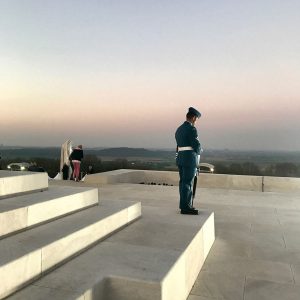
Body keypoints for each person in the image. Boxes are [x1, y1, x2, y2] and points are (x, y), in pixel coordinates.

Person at [175, 107, 202, 215]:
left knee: (182, 182)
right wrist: (199, 149)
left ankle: (184, 205)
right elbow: (196, 145)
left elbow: (178, 146)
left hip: (181, 158)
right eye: (196, 119)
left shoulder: (179, 129)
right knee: (187, 183)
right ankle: (186, 207)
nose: (196, 121)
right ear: (194, 117)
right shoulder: (191, 129)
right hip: (189, 159)